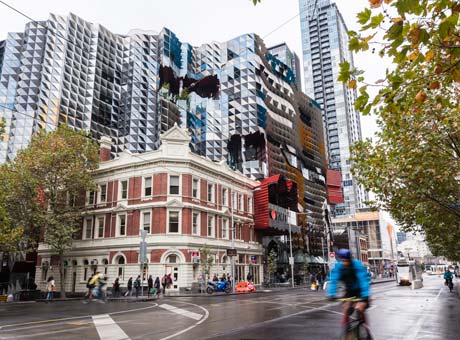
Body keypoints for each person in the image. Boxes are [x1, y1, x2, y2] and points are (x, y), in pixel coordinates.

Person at [327, 249, 371, 326]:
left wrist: (365, 295)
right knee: (346, 307)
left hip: (361, 290)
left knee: (359, 308)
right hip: (349, 290)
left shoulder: (357, 265)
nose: (345, 263)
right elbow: (333, 280)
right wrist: (331, 294)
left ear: (350, 260)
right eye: (343, 261)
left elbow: (363, 280)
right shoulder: (339, 267)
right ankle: (347, 329)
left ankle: (365, 327)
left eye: (347, 261)